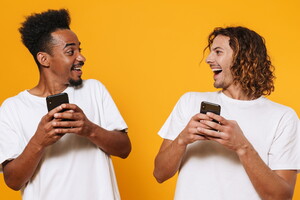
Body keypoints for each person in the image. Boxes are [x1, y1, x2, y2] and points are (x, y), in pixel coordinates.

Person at [154, 26, 300, 199]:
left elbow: (281, 197)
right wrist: (183, 139)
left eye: (218, 52)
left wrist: (242, 146)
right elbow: (159, 174)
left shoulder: (283, 117)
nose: (208, 59)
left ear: (243, 58)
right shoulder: (190, 102)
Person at [0, 9, 131, 200]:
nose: (81, 58)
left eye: (80, 50)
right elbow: (13, 181)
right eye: (71, 52)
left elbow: (124, 149)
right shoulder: (13, 108)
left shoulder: (94, 90)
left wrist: (89, 129)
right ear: (44, 59)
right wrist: (39, 141)